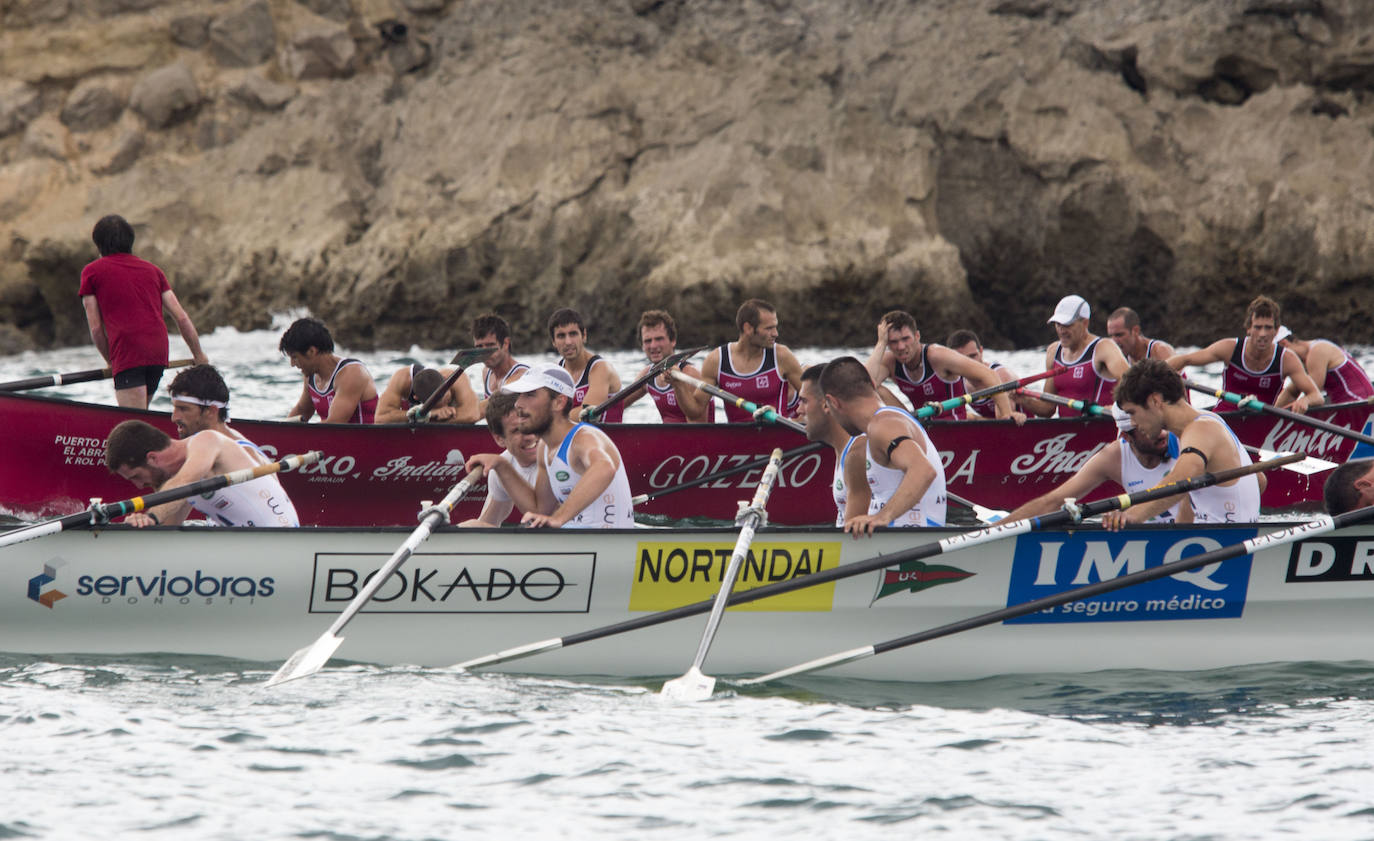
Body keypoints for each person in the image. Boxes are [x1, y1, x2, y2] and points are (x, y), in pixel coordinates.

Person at [465, 364, 635, 528]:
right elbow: (539, 510)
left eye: (529, 395)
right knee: (472, 526)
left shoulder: (584, 437)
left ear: (558, 403)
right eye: (520, 395)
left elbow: (605, 468)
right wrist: (501, 465)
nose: (518, 404)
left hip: (603, 544)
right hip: (575, 543)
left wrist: (559, 518)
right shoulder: (544, 449)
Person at [1103, 359, 1261, 529]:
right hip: (1213, 537)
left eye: (1132, 412)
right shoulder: (1200, 426)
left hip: (1228, 542)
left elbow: (1183, 478)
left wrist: (1131, 515)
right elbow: (1260, 480)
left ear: (1155, 401)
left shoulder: (1202, 429)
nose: (1133, 422)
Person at [78, 214, 209, 408]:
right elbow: (181, 317)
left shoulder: (92, 272)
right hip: (158, 350)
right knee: (141, 414)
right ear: (130, 241)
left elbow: (96, 329)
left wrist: (111, 361)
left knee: (134, 422)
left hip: (128, 350)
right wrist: (199, 355)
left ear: (99, 244)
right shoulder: (153, 270)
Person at [819, 356, 947, 535]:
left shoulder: (883, 424)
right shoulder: (889, 420)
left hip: (908, 547)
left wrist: (882, 517)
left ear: (833, 402)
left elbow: (923, 470)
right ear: (872, 383)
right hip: (900, 543)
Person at [1003, 405, 1192, 524]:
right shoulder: (1114, 456)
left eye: (1162, 425)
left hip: (1200, 531)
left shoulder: (1185, 440)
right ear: (1126, 436)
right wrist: (994, 531)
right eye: (1149, 429)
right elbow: (1053, 501)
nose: (1162, 434)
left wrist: (1130, 516)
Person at [104, 419, 298, 528]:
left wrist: (151, 516)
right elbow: (168, 530)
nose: (139, 486)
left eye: (136, 476)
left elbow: (184, 482)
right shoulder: (174, 484)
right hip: (246, 548)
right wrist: (141, 523)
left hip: (283, 543)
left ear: (153, 458)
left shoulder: (206, 442)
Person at [1167, 295, 1323, 413]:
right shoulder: (1229, 348)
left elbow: (1317, 396)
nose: (1262, 333)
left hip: (1260, 425)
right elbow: (1184, 359)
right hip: (1224, 423)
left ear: (1276, 330)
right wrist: (1150, 376)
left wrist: (1305, 400)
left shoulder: (1286, 359)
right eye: (1257, 327)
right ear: (1248, 328)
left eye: (1268, 328)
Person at [865, 311, 1018, 422]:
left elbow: (989, 375)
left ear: (917, 336)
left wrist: (1005, 415)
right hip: (921, 430)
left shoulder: (938, 356)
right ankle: (907, 422)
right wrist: (880, 344)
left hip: (954, 428)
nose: (900, 346)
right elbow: (863, 386)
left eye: (906, 339)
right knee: (874, 387)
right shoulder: (890, 361)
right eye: (893, 342)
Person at [1022, 294, 1131, 419]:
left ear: (1085, 323)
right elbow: (1048, 409)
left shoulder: (1104, 348)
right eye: (1058, 324)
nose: (1061, 330)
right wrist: (1025, 400)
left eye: (1067, 325)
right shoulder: (1053, 351)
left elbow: (1132, 383)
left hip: (1102, 429)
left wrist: (1117, 407)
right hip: (1068, 434)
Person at [701, 299, 804, 423]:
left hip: (778, 434)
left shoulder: (781, 356)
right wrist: (678, 385)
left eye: (775, 327)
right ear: (748, 328)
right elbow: (695, 411)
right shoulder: (716, 360)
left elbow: (815, 401)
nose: (776, 333)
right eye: (769, 328)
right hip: (737, 438)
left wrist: (794, 421)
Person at [797, 365, 869, 526]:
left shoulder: (858, 453)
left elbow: (852, 540)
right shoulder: (845, 448)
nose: (798, 410)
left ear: (826, 405)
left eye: (804, 401)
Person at [459, 393, 540, 527]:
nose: (530, 436)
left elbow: (553, 521)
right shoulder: (503, 462)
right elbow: (489, 522)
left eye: (531, 424)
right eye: (517, 430)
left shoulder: (558, 454)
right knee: (472, 527)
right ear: (499, 439)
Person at [280, 317, 380, 423]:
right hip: (334, 438)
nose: (292, 364)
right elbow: (302, 409)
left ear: (312, 351)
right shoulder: (310, 376)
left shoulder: (352, 373)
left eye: (295, 357)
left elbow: (335, 424)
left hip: (363, 438)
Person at [622, 309, 713, 423]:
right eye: (648, 341)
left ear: (673, 341)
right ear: (642, 346)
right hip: (667, 438)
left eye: (659, 339)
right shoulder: (647, 375)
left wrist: (678, 385)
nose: (653, 345)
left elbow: (699, 427)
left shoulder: (690, 374)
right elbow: (615, 407)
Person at [547, 308, 624, 423]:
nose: (568, 342)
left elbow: (587, 413)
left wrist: (547, 418)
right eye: (561, 336)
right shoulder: (554, 371)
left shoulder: (601, 369)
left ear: (584, 336)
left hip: (606, 439)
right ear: (553, 342)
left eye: (573, 334)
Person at [1274, 327, 1374, 405]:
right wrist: (1271, 415)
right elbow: (1291, 391)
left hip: (1359, 403)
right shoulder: (1306, 360)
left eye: (1277, 355)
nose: (1280, 361)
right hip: (1350, 405)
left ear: (1284, 344)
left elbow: (1314, 394)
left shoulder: (1317, 351)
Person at [945, 329, 1026, 422]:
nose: (970, 363)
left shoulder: (1001, 375)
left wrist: (975, 418)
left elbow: (1004, 422)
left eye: (973, 356)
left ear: (981, 351)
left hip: (1026, 428)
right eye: (963, 359)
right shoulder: (956, 381)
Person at [374, 363, 480, 424]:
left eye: (447, 398)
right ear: (416, 398)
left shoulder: (454, 377)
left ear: (444, 380)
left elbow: (473, 415)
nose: (444, 407)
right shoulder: (402, 379)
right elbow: (380, 418)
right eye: (437, 403)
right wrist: (430, 414)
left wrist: (431, 418)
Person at [472, 313, 528, 414]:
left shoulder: (521, 375)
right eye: (479, 347)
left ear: (506, 343)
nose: (484, 353)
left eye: (490, 345)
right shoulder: (486, 372)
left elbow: (479, 412)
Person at [1106, 307, 1175, 364]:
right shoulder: (1118, 359)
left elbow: (1177, 379)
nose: (1114, 341)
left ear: (1136, 330)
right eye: (1111, 336)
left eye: (1119, 335)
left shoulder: (1160, 350)